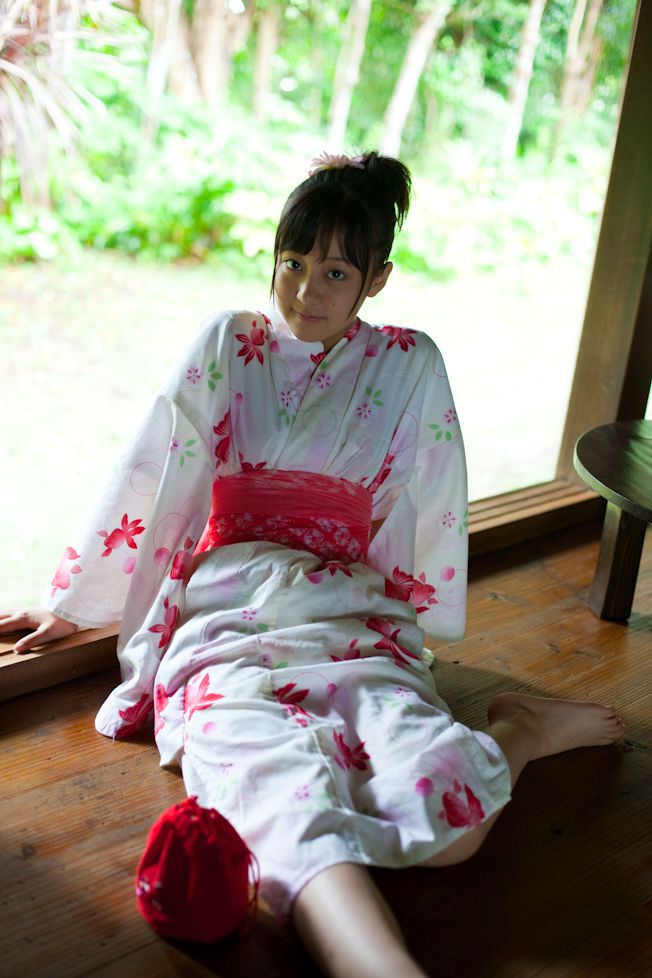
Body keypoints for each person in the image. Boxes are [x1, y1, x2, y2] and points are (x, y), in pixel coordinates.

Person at [0, 151, 625, 978]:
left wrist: (406, 617)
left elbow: (426, 496)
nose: (304, 291)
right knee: (273, 796)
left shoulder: (409, 362)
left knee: (449, 819)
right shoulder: (231, 342)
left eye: (335, 272)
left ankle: (521, 729)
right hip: (229, 612)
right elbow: (159, 465)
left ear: (377, 280)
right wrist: (76, 602)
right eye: (292, 262)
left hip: (345, 609)